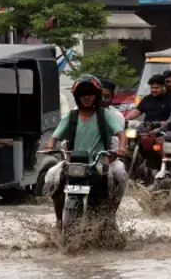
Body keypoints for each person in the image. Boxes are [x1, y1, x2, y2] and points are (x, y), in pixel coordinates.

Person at [45, 75, 127, 227]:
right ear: (77, 97)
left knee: (119, 174)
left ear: (96, 96)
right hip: (73, 162)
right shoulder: (71, 116)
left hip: (99, 161)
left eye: (90, 95)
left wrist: (121, 148)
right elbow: (55, 136)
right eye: (83, 95)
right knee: (51, 178)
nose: (87, 98)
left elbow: (120, 133)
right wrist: (50, 147)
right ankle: (59, 220)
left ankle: (111, 215)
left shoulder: (105, 115)